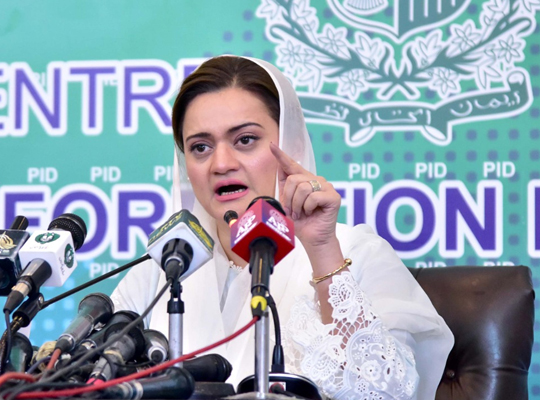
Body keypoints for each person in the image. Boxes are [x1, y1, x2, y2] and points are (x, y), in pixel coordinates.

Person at [111, 55, 454, 399]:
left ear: (291, 143)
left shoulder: (356, 252)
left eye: (245, 140)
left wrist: (322, 249)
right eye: (200, 147)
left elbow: (387, 391)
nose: (221, 163)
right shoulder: (166, 266)